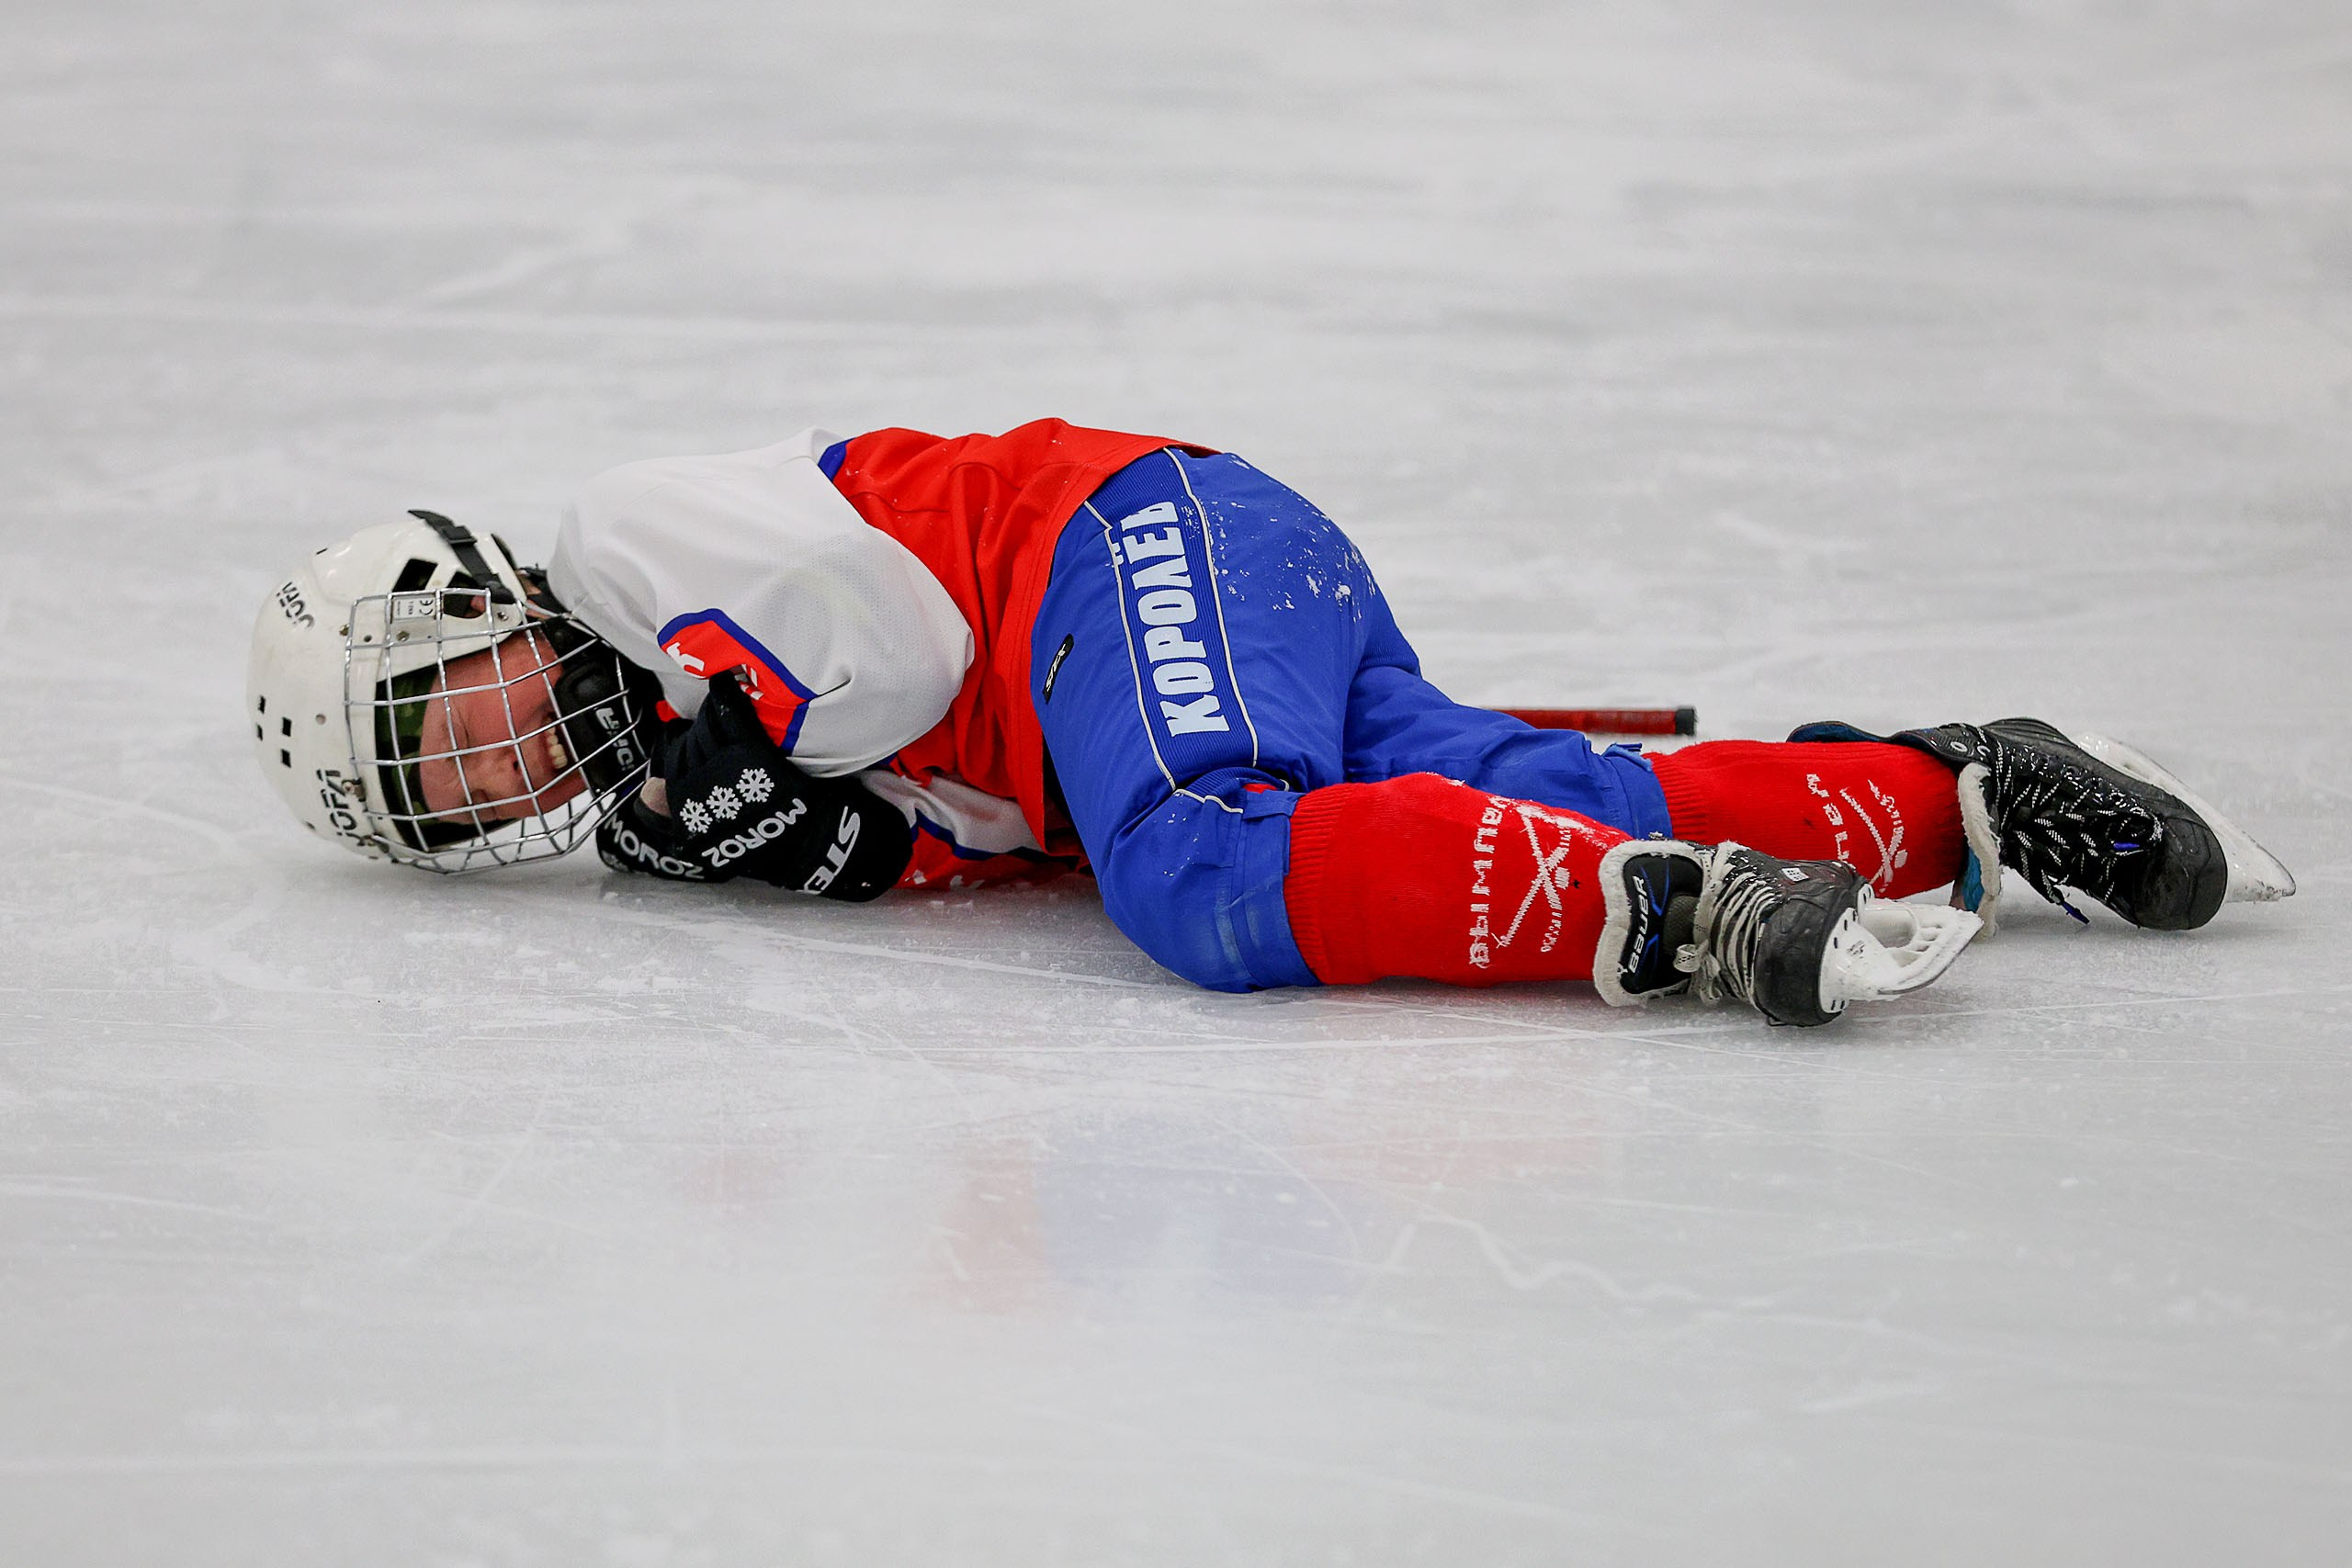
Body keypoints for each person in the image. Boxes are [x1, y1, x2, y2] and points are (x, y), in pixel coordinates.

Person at [246, 420, 2296, 1026]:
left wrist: (780, 774)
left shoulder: (619, 542)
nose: (505, 766)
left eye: (463, 713)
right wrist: (867, 850)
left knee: (1212, 879)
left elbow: (871, 640)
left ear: (486, 605)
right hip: (1153, 634)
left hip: (1122, 553)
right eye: (449, 795)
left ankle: (1670, 911)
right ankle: (1959, 794)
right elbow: (969, 815)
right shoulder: (666, 786)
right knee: (1489, 789)